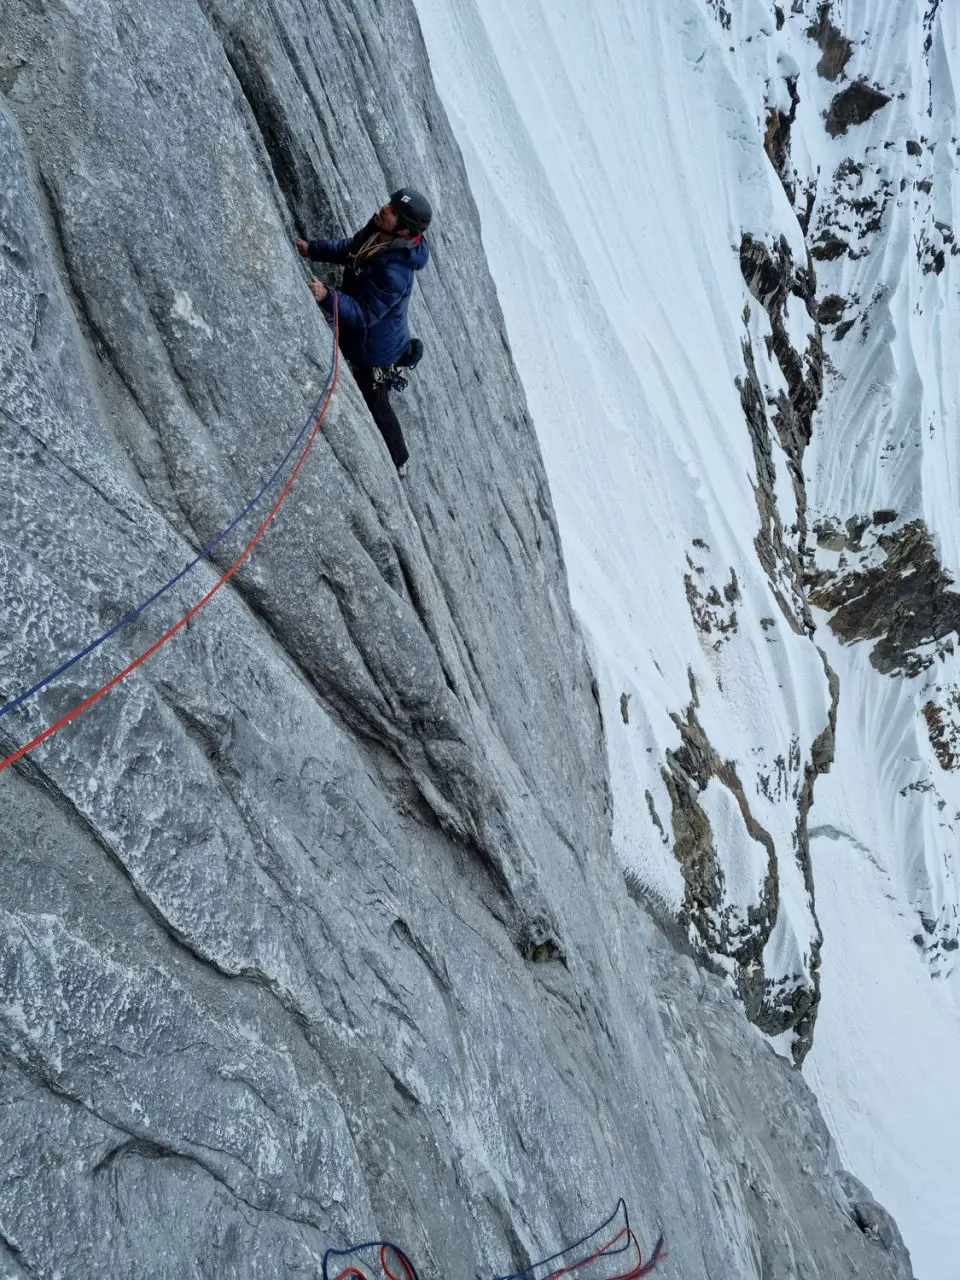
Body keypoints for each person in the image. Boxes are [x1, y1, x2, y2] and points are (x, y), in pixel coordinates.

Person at [296, 188, 432, 476]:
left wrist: (327, 296)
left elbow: (365, 315)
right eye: (390, 204)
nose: (385, 209)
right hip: (367, 334)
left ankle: (400, 459)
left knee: (377, 403)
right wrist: (313, 249)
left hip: (375, 352)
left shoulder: (396, 273)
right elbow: (350, 250)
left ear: (405, 231)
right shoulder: (378, 230)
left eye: (393, 211)